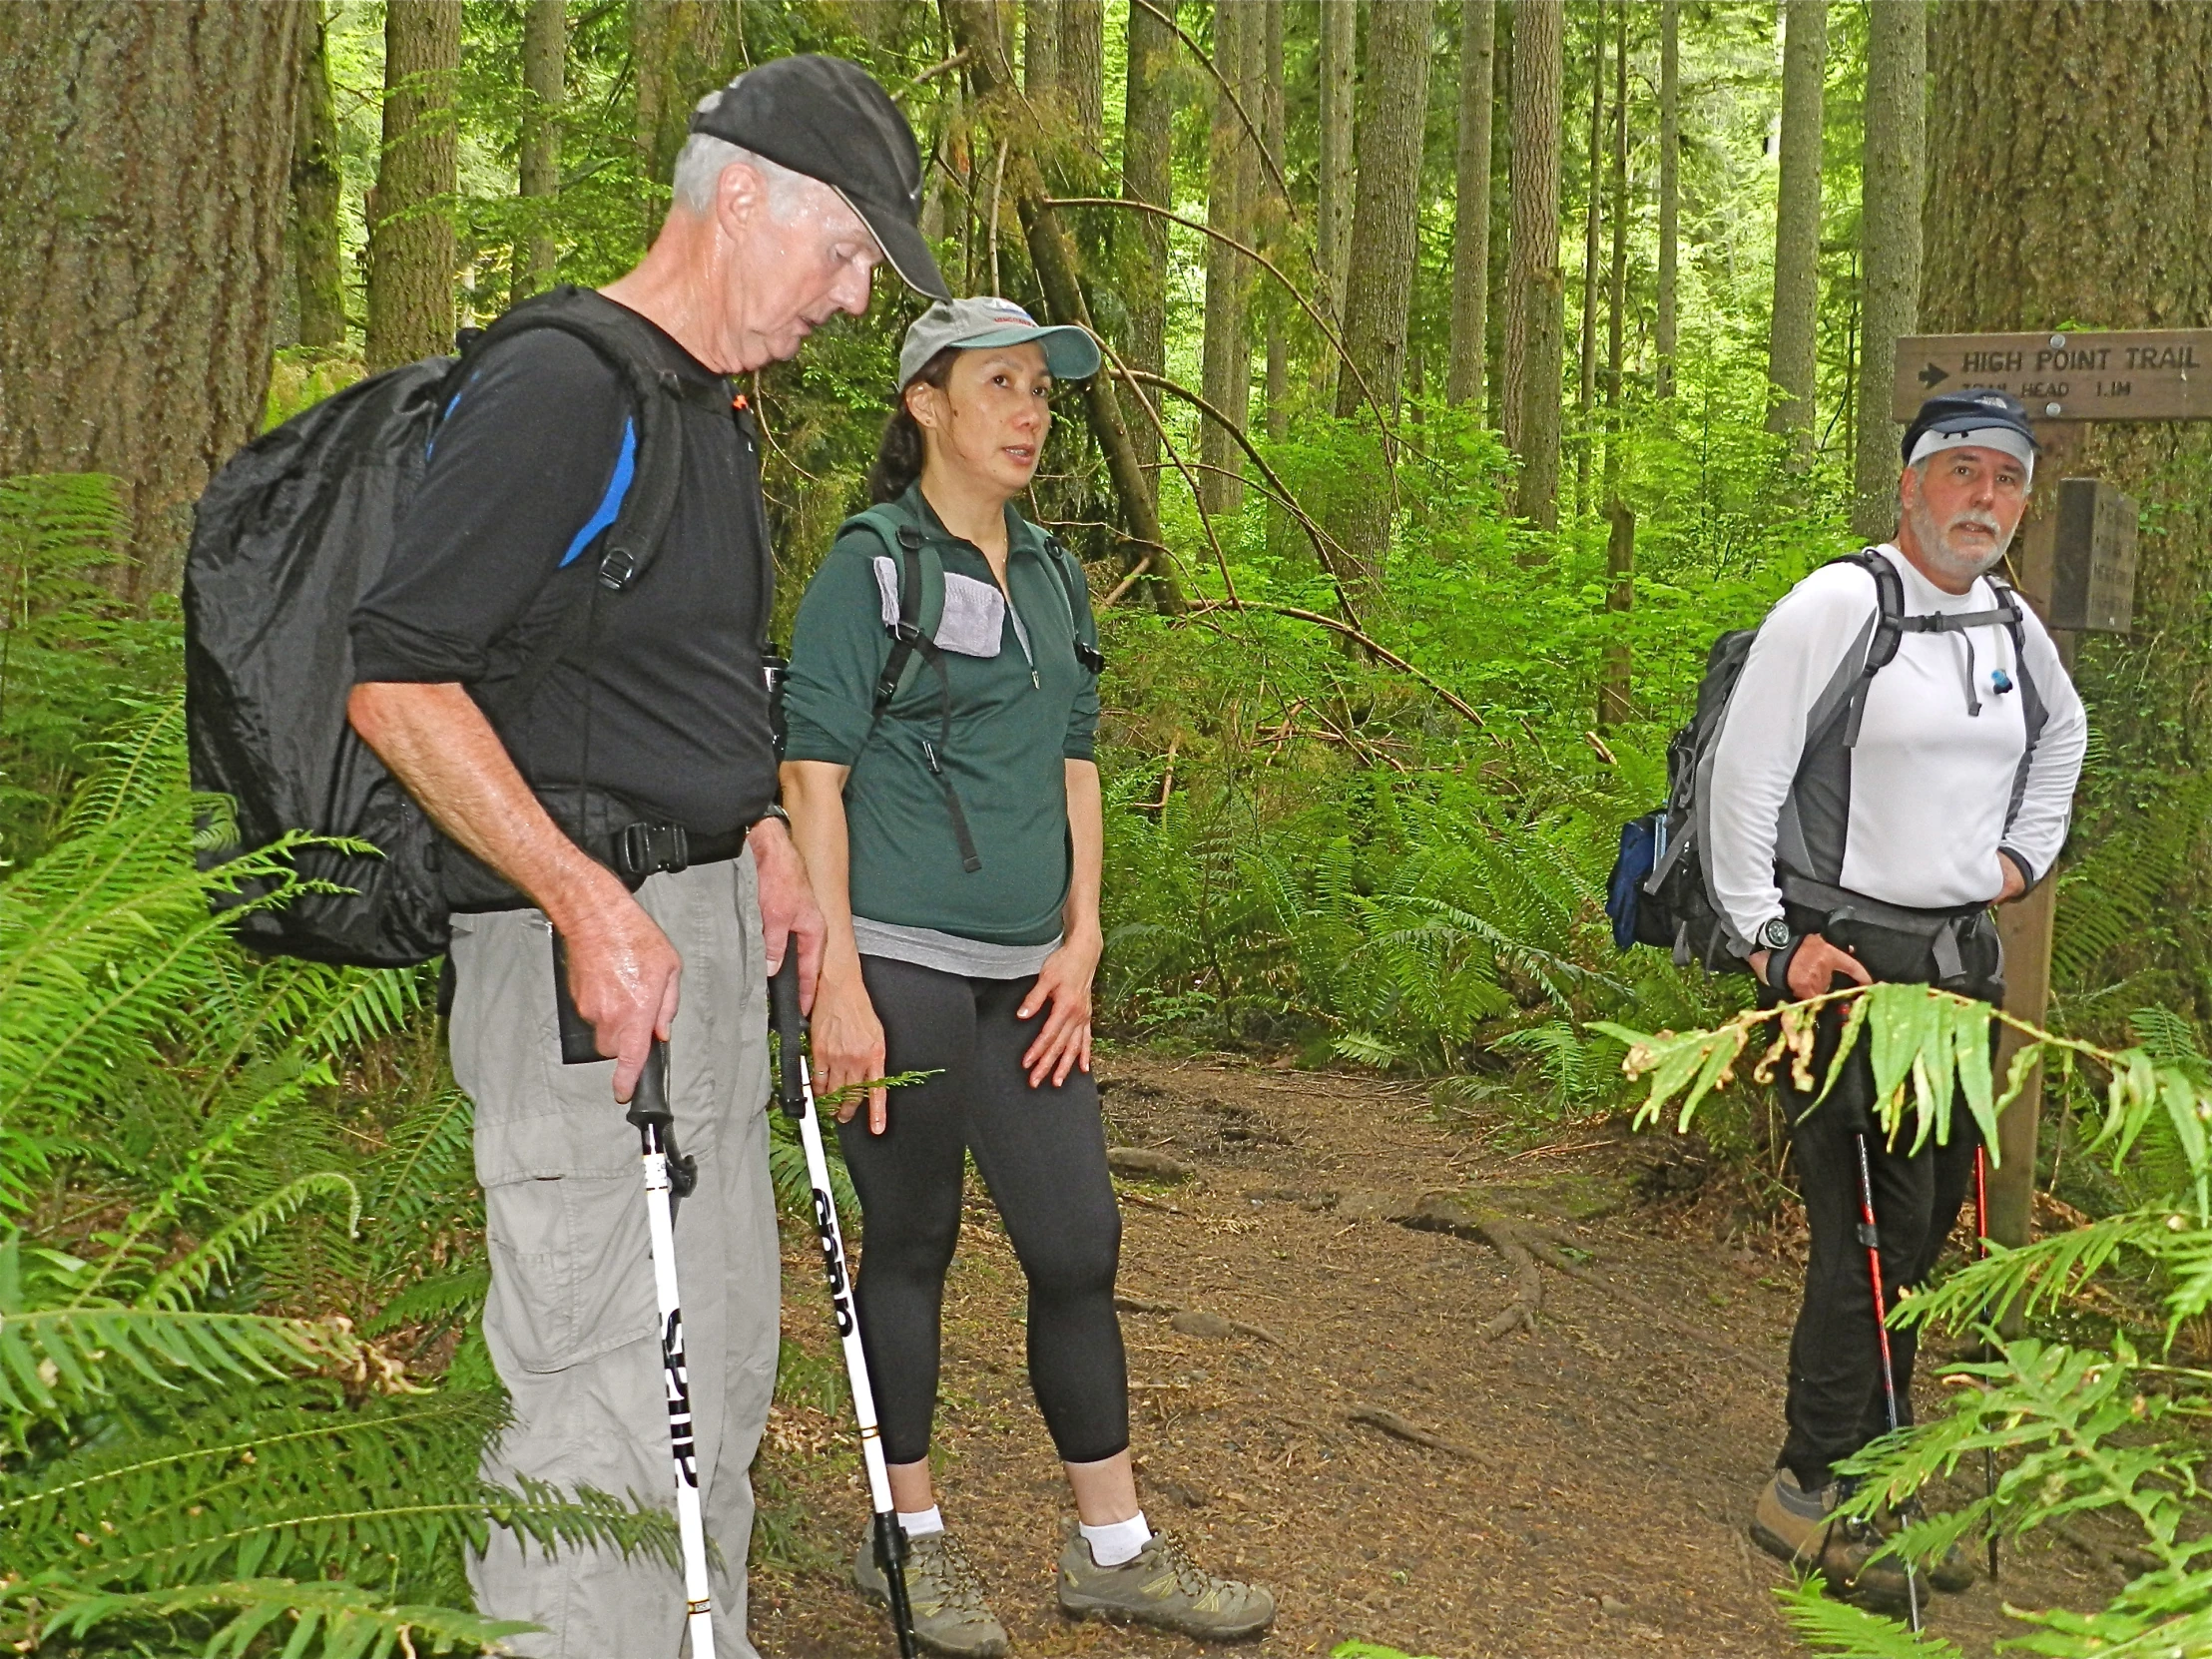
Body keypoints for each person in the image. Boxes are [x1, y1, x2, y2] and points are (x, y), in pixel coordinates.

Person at [345, 56, 950, 1658]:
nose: (846, 300)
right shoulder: (566, 387)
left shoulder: (703, 408)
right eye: (842, 256)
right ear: (740, 199)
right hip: (584, 985)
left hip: (696, 947)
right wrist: (581, 892)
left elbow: (630, 682)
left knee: (713, 1386)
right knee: (600, 1413)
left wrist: (749, 830)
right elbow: (398, 676)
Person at [778, 297, 1278, 1653]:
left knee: (1078, 1244)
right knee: (919, 1244)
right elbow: (810, 775)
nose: (1029, 412)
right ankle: (914, 1542)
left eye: (1043, 393)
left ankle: (1111, 1546)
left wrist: (1087, 934)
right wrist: (836, 982)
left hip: (1032, 972)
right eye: (998, 385)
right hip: (900, 964)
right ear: (923, 405)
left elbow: (1075, 761)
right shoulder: (872, 567)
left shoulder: (1053, 571)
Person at [1708, 389, 2088, 1608]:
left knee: (1922, 1236)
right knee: (1866, 1235)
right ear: (1912, 483)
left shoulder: (2006, 622)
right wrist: (1772, 947)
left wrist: (2019, 862)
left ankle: (1877, 1463)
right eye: (1961, 471)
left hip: (1953, 967)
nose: (1984, 498)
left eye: (2006, 481)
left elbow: (2062, 737)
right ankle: (1813, 1484)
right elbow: (1743, 776)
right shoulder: (1838, 606)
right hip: (1845, 965)